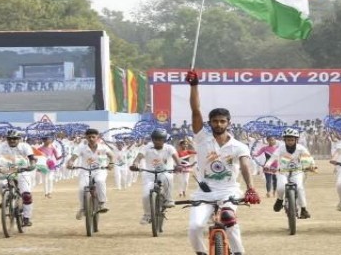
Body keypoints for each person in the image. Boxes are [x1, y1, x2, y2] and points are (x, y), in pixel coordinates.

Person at [185, 70, 260, 255]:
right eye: (215, 121)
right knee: (195, 227)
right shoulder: (202, 139)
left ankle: (238, 253)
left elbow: (244, 166)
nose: (218, 124)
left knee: (228, 218)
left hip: (229, 191)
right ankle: (201, 253)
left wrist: (250, 187)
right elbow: (195, 111)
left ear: (228, 123)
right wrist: (194, 86)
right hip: (204, 192)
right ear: (209, 123)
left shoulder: (238, 146)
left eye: (222, 121)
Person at [129, 128, 182, 225]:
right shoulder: (147, 147)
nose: (157, 141)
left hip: (165, 172)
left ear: (164, 140)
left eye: (160, 139)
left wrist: (179, 165)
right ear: (152, 139)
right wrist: (135, 163)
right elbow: (139, 156)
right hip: (150, 174)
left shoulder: (169, 148)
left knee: (168, 178)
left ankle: (169, 199)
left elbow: (176, 158)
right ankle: (147, 215)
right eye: (155, 139)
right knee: (145, 195)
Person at [0, 129, 37, 227]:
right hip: (7, 170)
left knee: (26, 195)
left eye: (14, 139)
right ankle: (6, 199)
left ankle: (26, 218)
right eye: (10, 139)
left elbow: (32, 158)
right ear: (7, 139)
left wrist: (32, 165)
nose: (12, 141)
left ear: (19, 139)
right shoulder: (2, 146)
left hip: (22, 171)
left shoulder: (25, 146)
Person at [264, 128, 316, 219]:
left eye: (292, 140)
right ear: (284, 140)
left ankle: (303, 209)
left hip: (297, 171)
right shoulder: (281, 148)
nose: (290, 142)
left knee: (299, 188)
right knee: (280, 188)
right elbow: (273, 157)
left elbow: (309, 158)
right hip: (283, 171)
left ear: (296, 140)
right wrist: (267, 165)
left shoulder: (301, 148)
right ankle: (279, 200)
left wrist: (312, 165)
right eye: (288, 140)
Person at [66, 128, 114, 220]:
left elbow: (111, 155)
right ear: (86, 138)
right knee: (81, 189)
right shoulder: (81, 148)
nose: (91, 139)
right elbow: (73, 157)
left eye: (93, 137)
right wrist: (70, 163)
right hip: (85, 171)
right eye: (89, 137)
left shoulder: (103, 147)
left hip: (100, 170)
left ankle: (102, 203)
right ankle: (83, 209)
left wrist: (111, 163)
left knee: (100, 182)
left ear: (97, 137)